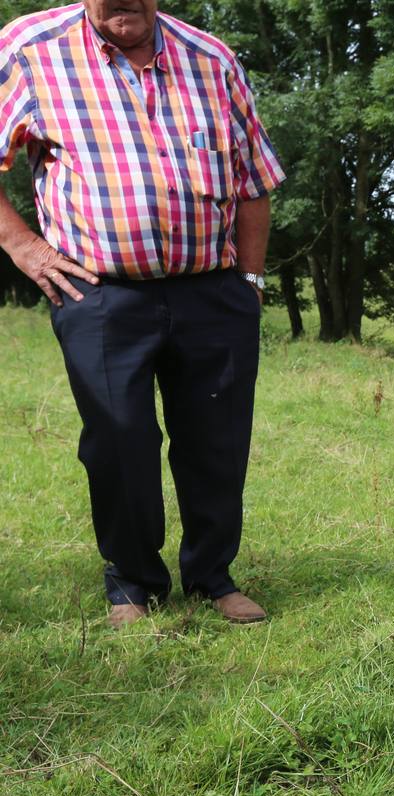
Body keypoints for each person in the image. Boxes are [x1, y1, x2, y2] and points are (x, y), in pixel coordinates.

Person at [0, 2, 285, 627]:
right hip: (98, 294)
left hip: (213, 290)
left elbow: (254, 179)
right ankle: (133, 584)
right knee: (119, 439)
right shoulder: (27, 47)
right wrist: (24, 247)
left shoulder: (211, 57)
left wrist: (251, 281)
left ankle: (213, 576)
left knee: (217, 441)